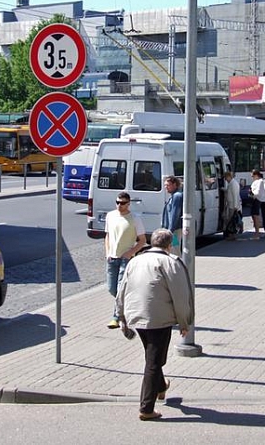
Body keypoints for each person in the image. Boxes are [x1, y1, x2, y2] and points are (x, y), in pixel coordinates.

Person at [115, 228, 193, 422]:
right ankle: (146, 408)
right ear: (169, 246)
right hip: (159, 318)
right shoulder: (170, 262)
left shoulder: (135, 260)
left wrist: (121, 315)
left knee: (153, 356)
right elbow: (181, 295)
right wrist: (185, 322)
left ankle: (160, 387)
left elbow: (122, 288)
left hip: (136, 316)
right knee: (154, 361)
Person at [105, 191, 147, 329]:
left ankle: (116, 317)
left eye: (122, 203)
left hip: (126, 258)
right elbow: (108, 236)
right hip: (112, 257)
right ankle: (129, 308)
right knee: (112, 289)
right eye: (117, 202)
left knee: (120, 288)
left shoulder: (135, 218)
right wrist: (107, 253)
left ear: (129, 204)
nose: (119, 205)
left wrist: (130, 253)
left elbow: (142, 240)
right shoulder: (110, 216)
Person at [161, 176, 183, 255]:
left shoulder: (177, 196)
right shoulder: (174, 196)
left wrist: (170, 230)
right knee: (172, 249)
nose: (165, 187)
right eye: (165, 185)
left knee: (174, 249)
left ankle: (177, 266)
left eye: (168, 185)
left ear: (175, 185)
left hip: (174, 230)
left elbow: (175, 214)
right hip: (173, 229)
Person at [249, 169, 265, 239]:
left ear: (256, 175)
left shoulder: (260, 181)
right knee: (254, 216)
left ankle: (257, 233)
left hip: (257, 200)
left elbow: (257, 192)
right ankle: (256, 232)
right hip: (254, 199)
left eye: (253, 176)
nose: (252, 178)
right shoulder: (256, 181)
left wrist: (252, 194)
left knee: (256, 216)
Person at [222, 171, 241, 241]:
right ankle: (231, 234)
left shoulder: (233, 184)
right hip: (231, 205)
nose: (225, 180)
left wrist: (235, 206)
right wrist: (224, 190)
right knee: (230, 220)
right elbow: (229, 191)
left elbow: (235, 195)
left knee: (232, 221)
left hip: (233, 205)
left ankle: (232, 235)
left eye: (226, 178)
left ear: (229, 176)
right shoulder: (231, 183)